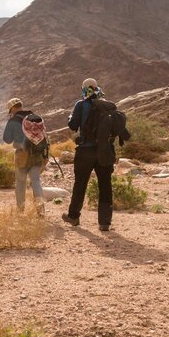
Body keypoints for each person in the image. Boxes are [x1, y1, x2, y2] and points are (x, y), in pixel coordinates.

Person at [63, 79, 114, 231]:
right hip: (104, 151)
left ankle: (73, 216)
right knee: (105, 185)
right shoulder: (106, 105)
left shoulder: (81, 104)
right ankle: (104, 222)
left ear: (84, 89)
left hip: (85, 150)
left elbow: (73, 126)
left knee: (80, 184)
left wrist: (70, 118)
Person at [2, 97, 44, 214]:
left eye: (10, 111)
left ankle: (20, 211)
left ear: (13, 108)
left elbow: (7, 140)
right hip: (37, 154)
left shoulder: (13, 120)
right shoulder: (35, 117)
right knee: (36, 181)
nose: (10, 113)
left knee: (21, 182)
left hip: (22, 155)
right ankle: (41, 211)